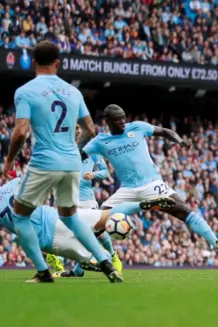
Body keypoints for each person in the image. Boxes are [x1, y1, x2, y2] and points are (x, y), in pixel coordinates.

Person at [1, 40, 121, 283]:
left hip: (44, 161)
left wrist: (9, 161)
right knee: (70, 217)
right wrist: (73, 149)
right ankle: (105, 261)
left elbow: (21, 132)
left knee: (21, 215)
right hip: (71, 163)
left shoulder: (25, 91)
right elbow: (89, 128)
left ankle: (43, 272)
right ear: (58, 63)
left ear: (33, 63)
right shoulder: (73, 92)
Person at [81, 104, 218, 257]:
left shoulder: (137, 127)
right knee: (97, 222)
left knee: (183, 210)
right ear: (108, 121)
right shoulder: (100, 140)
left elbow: (164, 131)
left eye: (123, 117)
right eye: (117, 119)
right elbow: (80, 156)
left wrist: (179, 141)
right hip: (127, 190)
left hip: (152, 184)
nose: (122, 121)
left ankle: (217, 244)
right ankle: (80, 266)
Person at [0, 178, 174, 278]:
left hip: (48, 240)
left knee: (94, 259)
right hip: (56, 217)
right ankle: (142, 205)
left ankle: (96, 263)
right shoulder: (14, 182)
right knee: (106, 215)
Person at [46, 127, 121, 273]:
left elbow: (105, 172)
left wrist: (94, 175)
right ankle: (62, 261)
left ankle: (112, 255)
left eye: (77, 133)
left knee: (97, 233)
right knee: (68, 232)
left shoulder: (92, 152)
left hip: (87, 200)